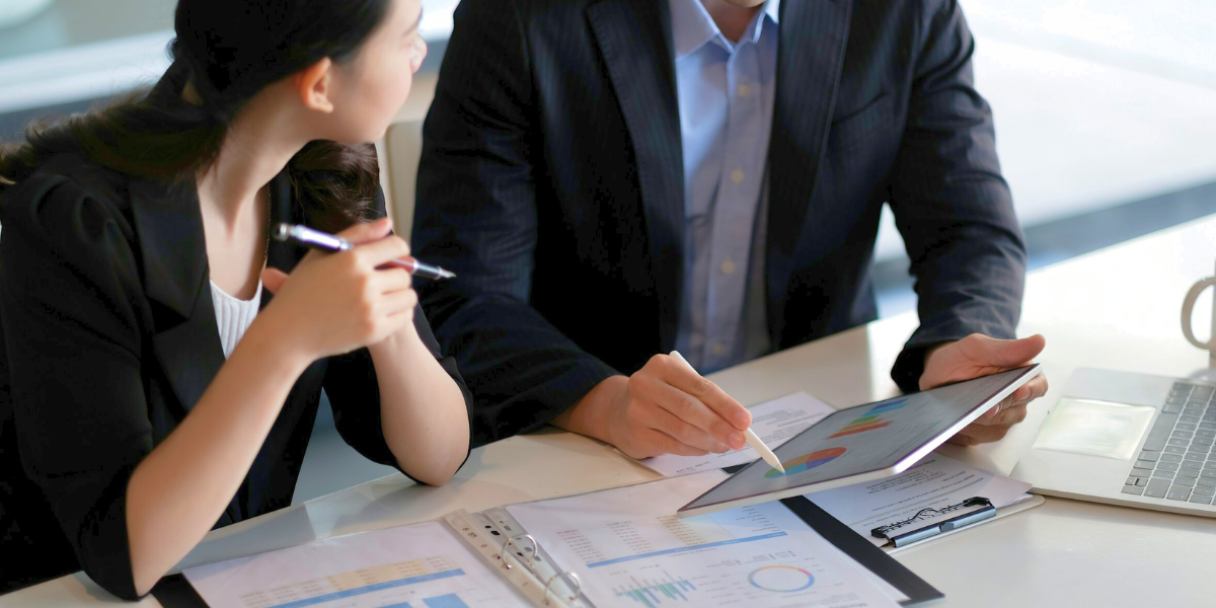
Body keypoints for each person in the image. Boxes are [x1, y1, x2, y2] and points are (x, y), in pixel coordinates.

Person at [412, 0, 1048, 458]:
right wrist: (604, 403)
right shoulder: (520, 17)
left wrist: (957, 350)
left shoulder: (907, 12)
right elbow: (464, 290)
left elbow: (969, 227)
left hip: (817, 434)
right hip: (582, 442)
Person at [0, 0, 472, 597]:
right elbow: (124, 557)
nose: (419, 51)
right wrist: (284, 341)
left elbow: (440, 457)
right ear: (321, 83)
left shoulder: (326, 169)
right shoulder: (76, 222)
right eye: (405, 35)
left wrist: (390, 323)